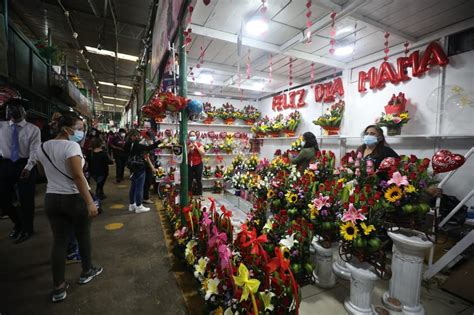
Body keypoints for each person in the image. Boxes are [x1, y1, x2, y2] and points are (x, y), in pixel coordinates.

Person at [35, 113, 102, 302]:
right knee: (83, 236)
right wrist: (89, 201)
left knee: (59, 242)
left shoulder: (42, 146)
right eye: (79, 128)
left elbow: (41, 172)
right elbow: (78, 176)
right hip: (74, 198)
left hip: (52, 198)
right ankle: (87, 271)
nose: (82, 132)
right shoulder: (71, 146)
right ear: (67, 129)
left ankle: (58, 288)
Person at [0, 98, 41, 243]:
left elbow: (35, 150)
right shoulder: (1, 127)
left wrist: (29, 167)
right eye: (9, 108)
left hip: (25, 164)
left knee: (26, 200)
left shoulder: (33, 130)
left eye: (17, 108)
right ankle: (18, 223)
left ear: (24, 111)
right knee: (3, 199)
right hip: (6, 164)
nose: (12, 110)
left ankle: (27, 229)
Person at [125, 129, 160, 213]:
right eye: (137, 135)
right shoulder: (137, 144)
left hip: (132, 166)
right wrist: (159, 142)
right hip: (139, 167)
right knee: (139, 187)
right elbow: (148, 148)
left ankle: (132, 204)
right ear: (133, 136)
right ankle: (139, 206)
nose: (139, 137)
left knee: (133, 186)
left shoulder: (128, 144)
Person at [187, 131, 205, 199]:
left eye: (193, 135)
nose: (192, 137)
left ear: (196, 136)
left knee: (199, 180)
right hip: (189, 164)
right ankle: (188, 195)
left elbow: (203, 153)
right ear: (189, 137)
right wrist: (188, 148)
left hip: (198, 164)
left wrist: (197, 147)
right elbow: (185, 155)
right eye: (191, 135)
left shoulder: (199, 144)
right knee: (189, 180)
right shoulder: (187, 144)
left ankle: (200, 194)